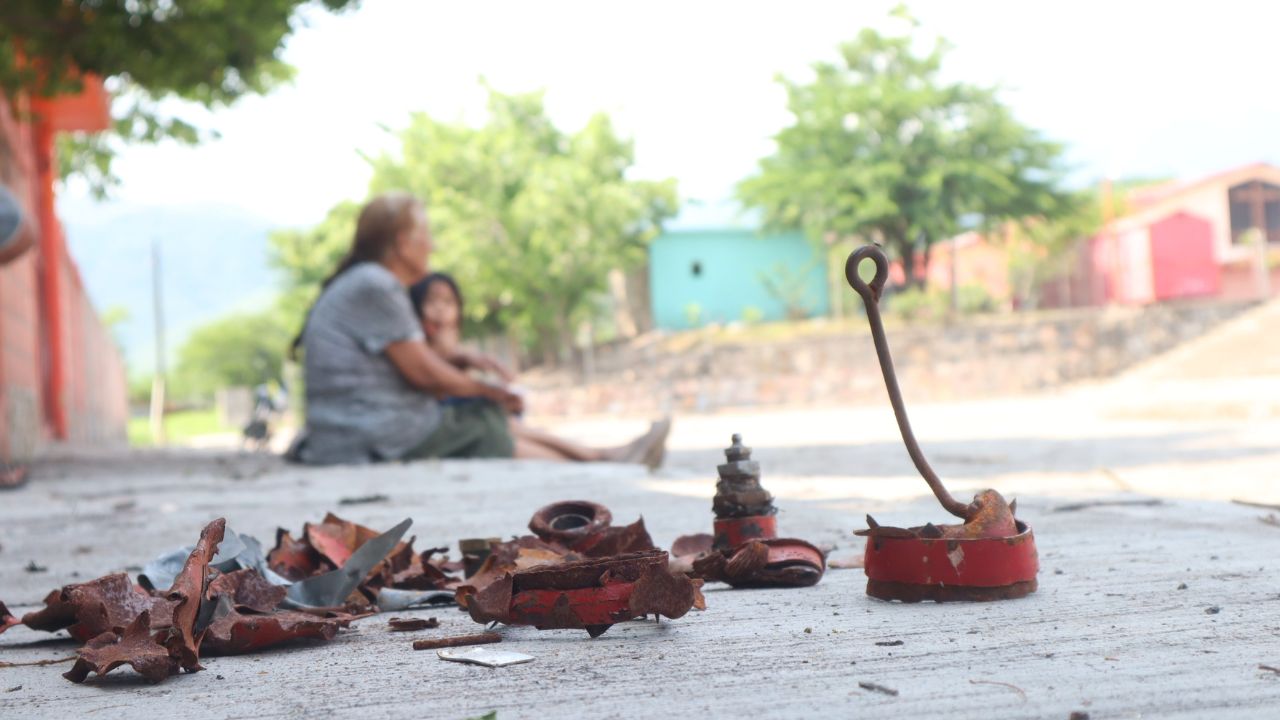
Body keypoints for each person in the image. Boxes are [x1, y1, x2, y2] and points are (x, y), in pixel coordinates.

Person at [289, 192, 669, 466]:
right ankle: (603, 459)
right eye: (427, 235)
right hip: (370, 433)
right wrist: (490, 391)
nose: (432, 245)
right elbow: (424, 373)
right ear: (404, 243)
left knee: (483, 416)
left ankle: (602, 456)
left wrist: (466, 362)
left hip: (350, 429)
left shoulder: (365, 282)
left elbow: (411, 359)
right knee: (486, 424)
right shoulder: (377, 284)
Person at [409, 272, 669, 465]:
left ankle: (601, 455)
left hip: (479, 425)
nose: (440, 310)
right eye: (432, 301)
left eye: (448, 302)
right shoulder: (415, 354)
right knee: (495, 430)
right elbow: (438, 401)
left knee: (501, 422)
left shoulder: (457, 351)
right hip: (449, 435)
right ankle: (601, 456)